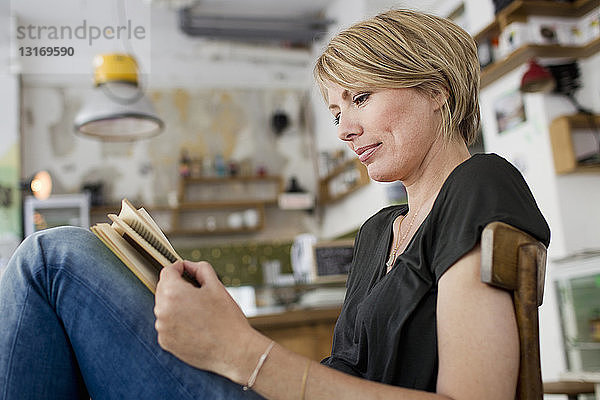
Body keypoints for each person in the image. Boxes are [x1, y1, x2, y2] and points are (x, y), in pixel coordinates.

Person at [0, 9, 550, 400]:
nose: (345, 129)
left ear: (438, 91)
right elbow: (344, 374)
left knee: (53, 260)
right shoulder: (379, 231)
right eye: (336, 112)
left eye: (360, 98)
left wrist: (244, 353)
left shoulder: (479, 184)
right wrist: (237, 334)